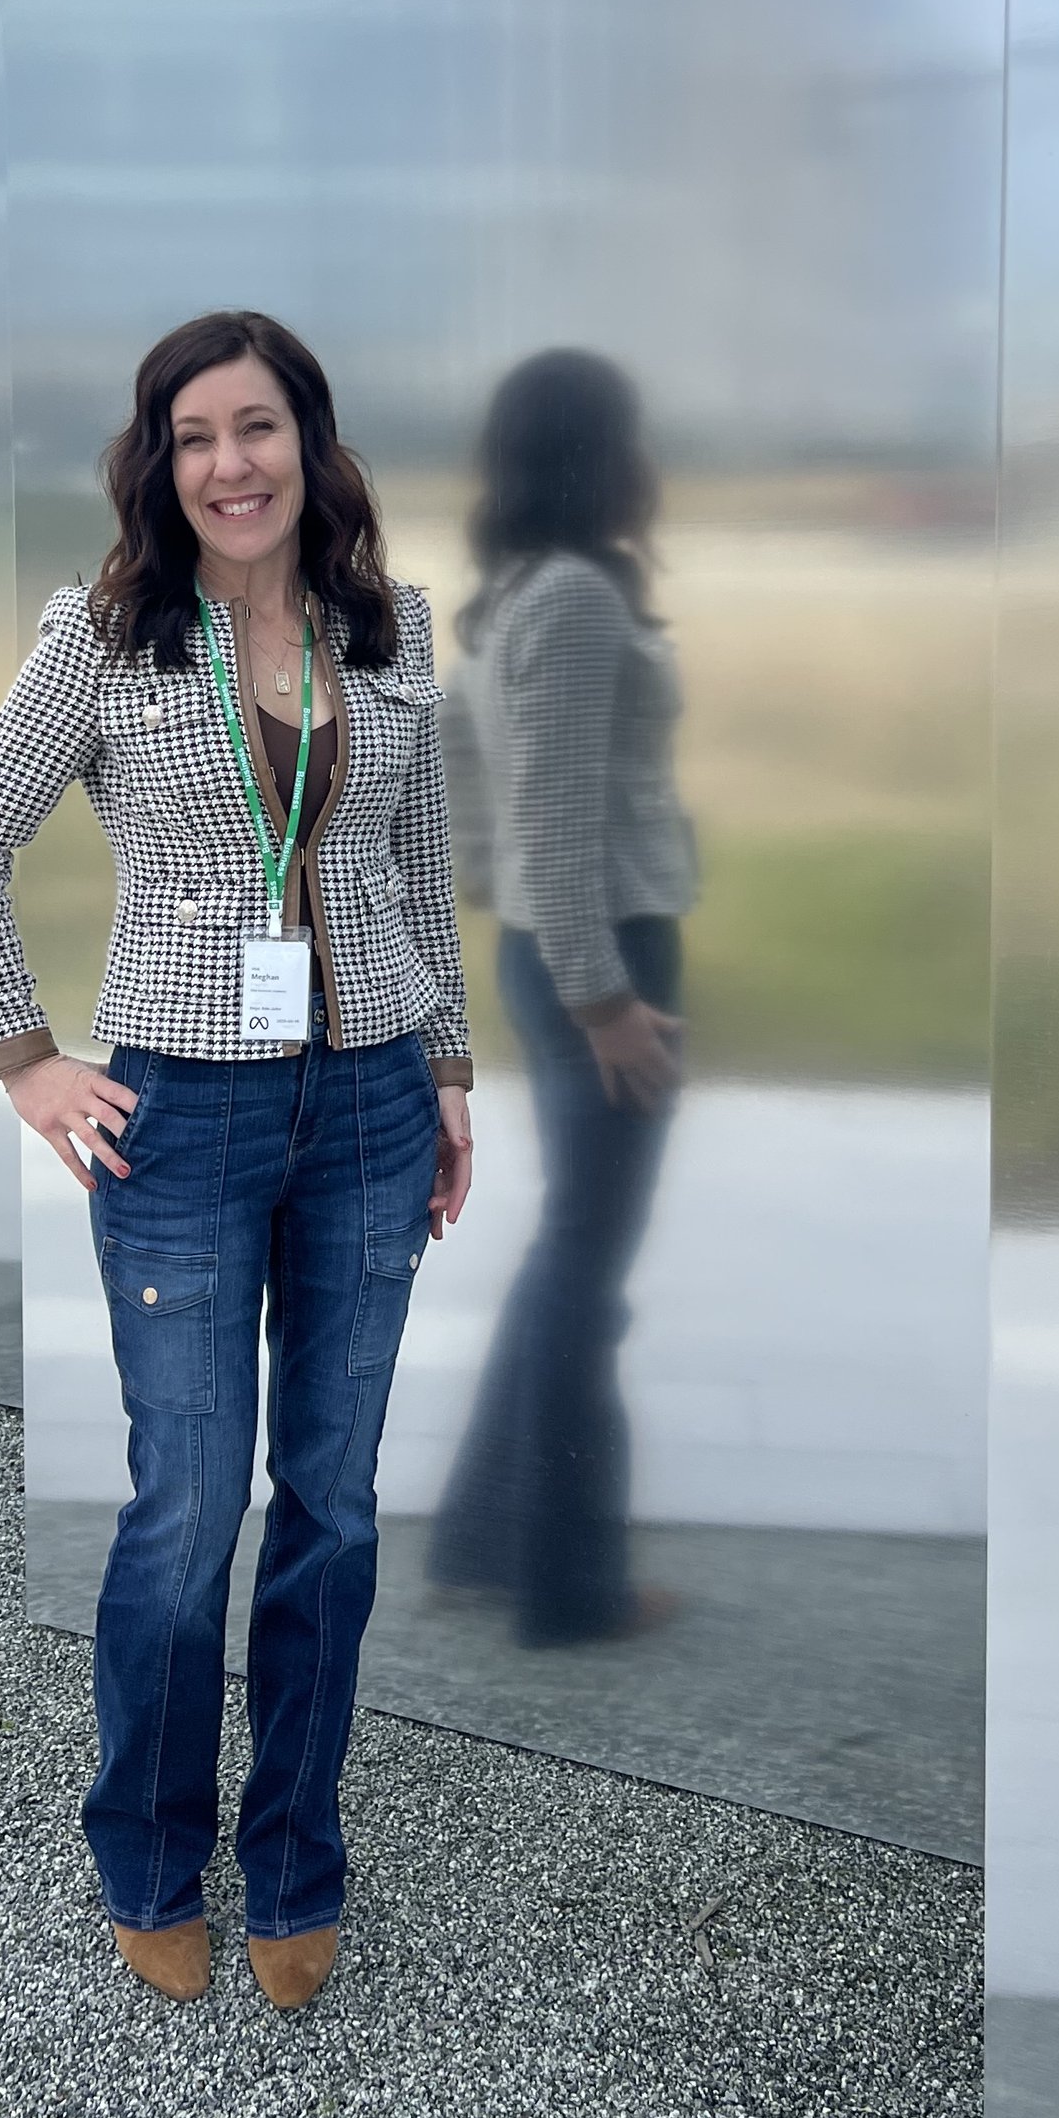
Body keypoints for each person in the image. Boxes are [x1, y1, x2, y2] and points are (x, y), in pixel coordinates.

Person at [0, 310, 474, 2009]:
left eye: (256, 427)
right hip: (185, 1120)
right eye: (192, 436)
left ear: (312, 438)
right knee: (184, 1507)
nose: (229, 464)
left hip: (371, 1105)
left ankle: (297, 1854)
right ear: (159, 464)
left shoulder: (392, 629)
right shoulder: (104, 638)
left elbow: (423, 872)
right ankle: (150, 1853)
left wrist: (446, 1066)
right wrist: (25, 1061)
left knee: (332, 1507)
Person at [428, 349, 695, 1645]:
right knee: (590, 1270)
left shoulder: (518, 595)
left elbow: (460, 761)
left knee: (567, 1257)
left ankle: (488, 1537)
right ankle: (570, 1585)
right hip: (606, 956)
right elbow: (551, 805)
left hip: (555, 949)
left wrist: (504, 899)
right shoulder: (579, 597)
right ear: (606, 451)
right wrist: (603, 995)